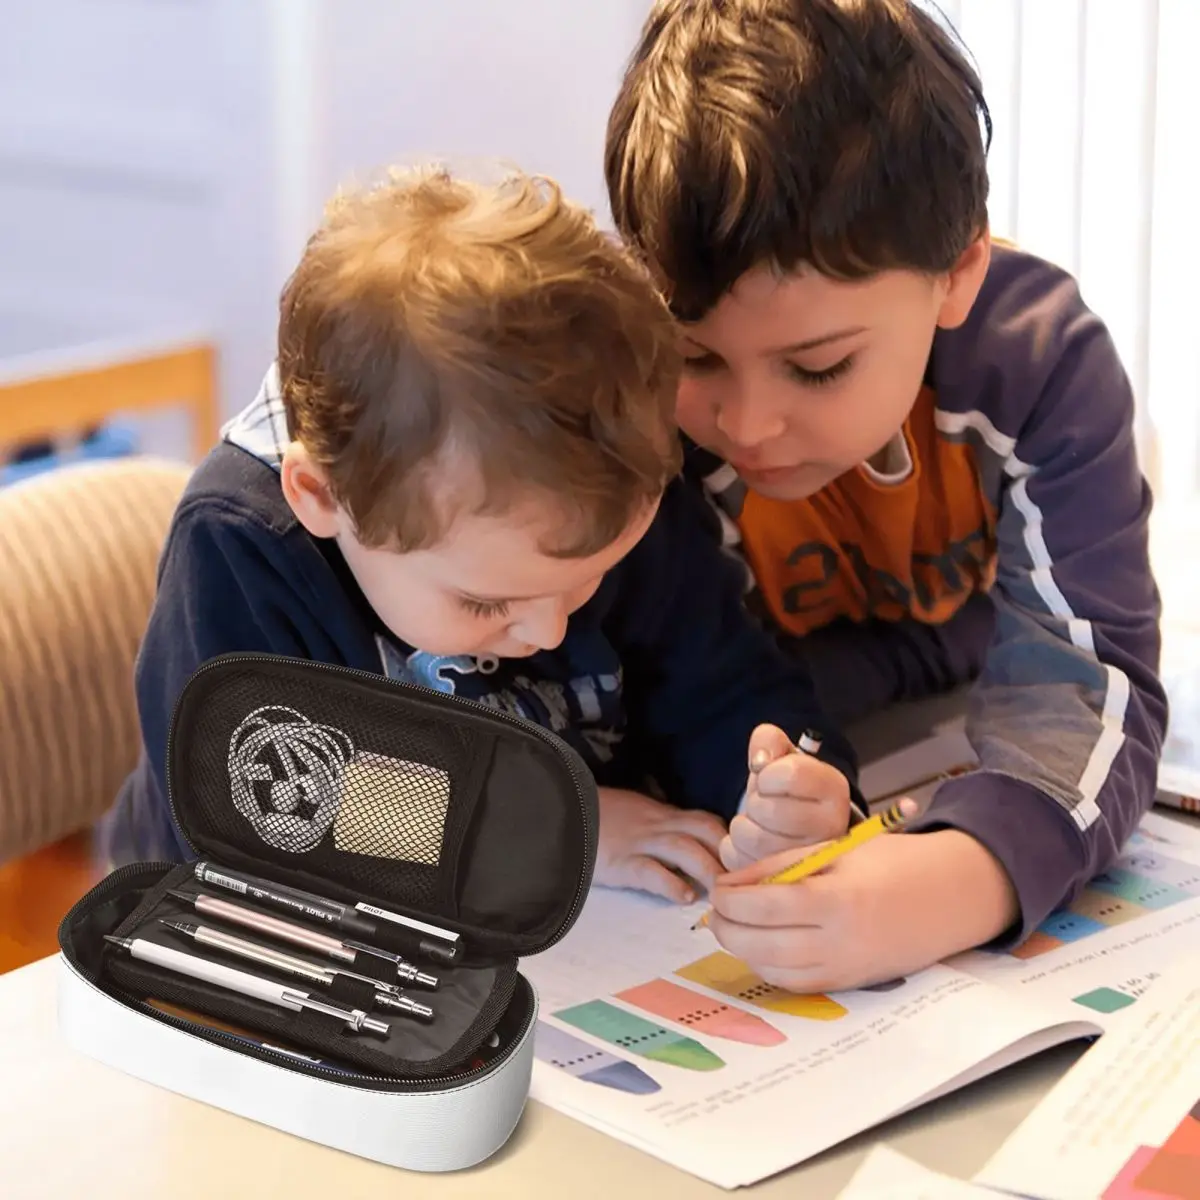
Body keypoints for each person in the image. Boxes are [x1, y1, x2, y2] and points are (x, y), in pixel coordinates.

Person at [100, 165, 862, 904]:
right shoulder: (243, 547)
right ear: (323, 498)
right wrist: (561, 831)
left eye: (587, 580)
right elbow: (257, 798)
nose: (549, 625)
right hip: (217, 938)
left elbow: (720, 683)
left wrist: (782, 793)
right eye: (484, 604)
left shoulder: (604, 485)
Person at [604, 0, 1167, 989]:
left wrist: (967, 876)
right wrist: (782, 786)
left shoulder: (1041, 363)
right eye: (694, 355)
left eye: (817, 368)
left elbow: (1090, 681)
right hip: (832, 722)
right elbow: (672, 697)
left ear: (957, 274)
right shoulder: (633, 398)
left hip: (964, 693)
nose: (746, 425)